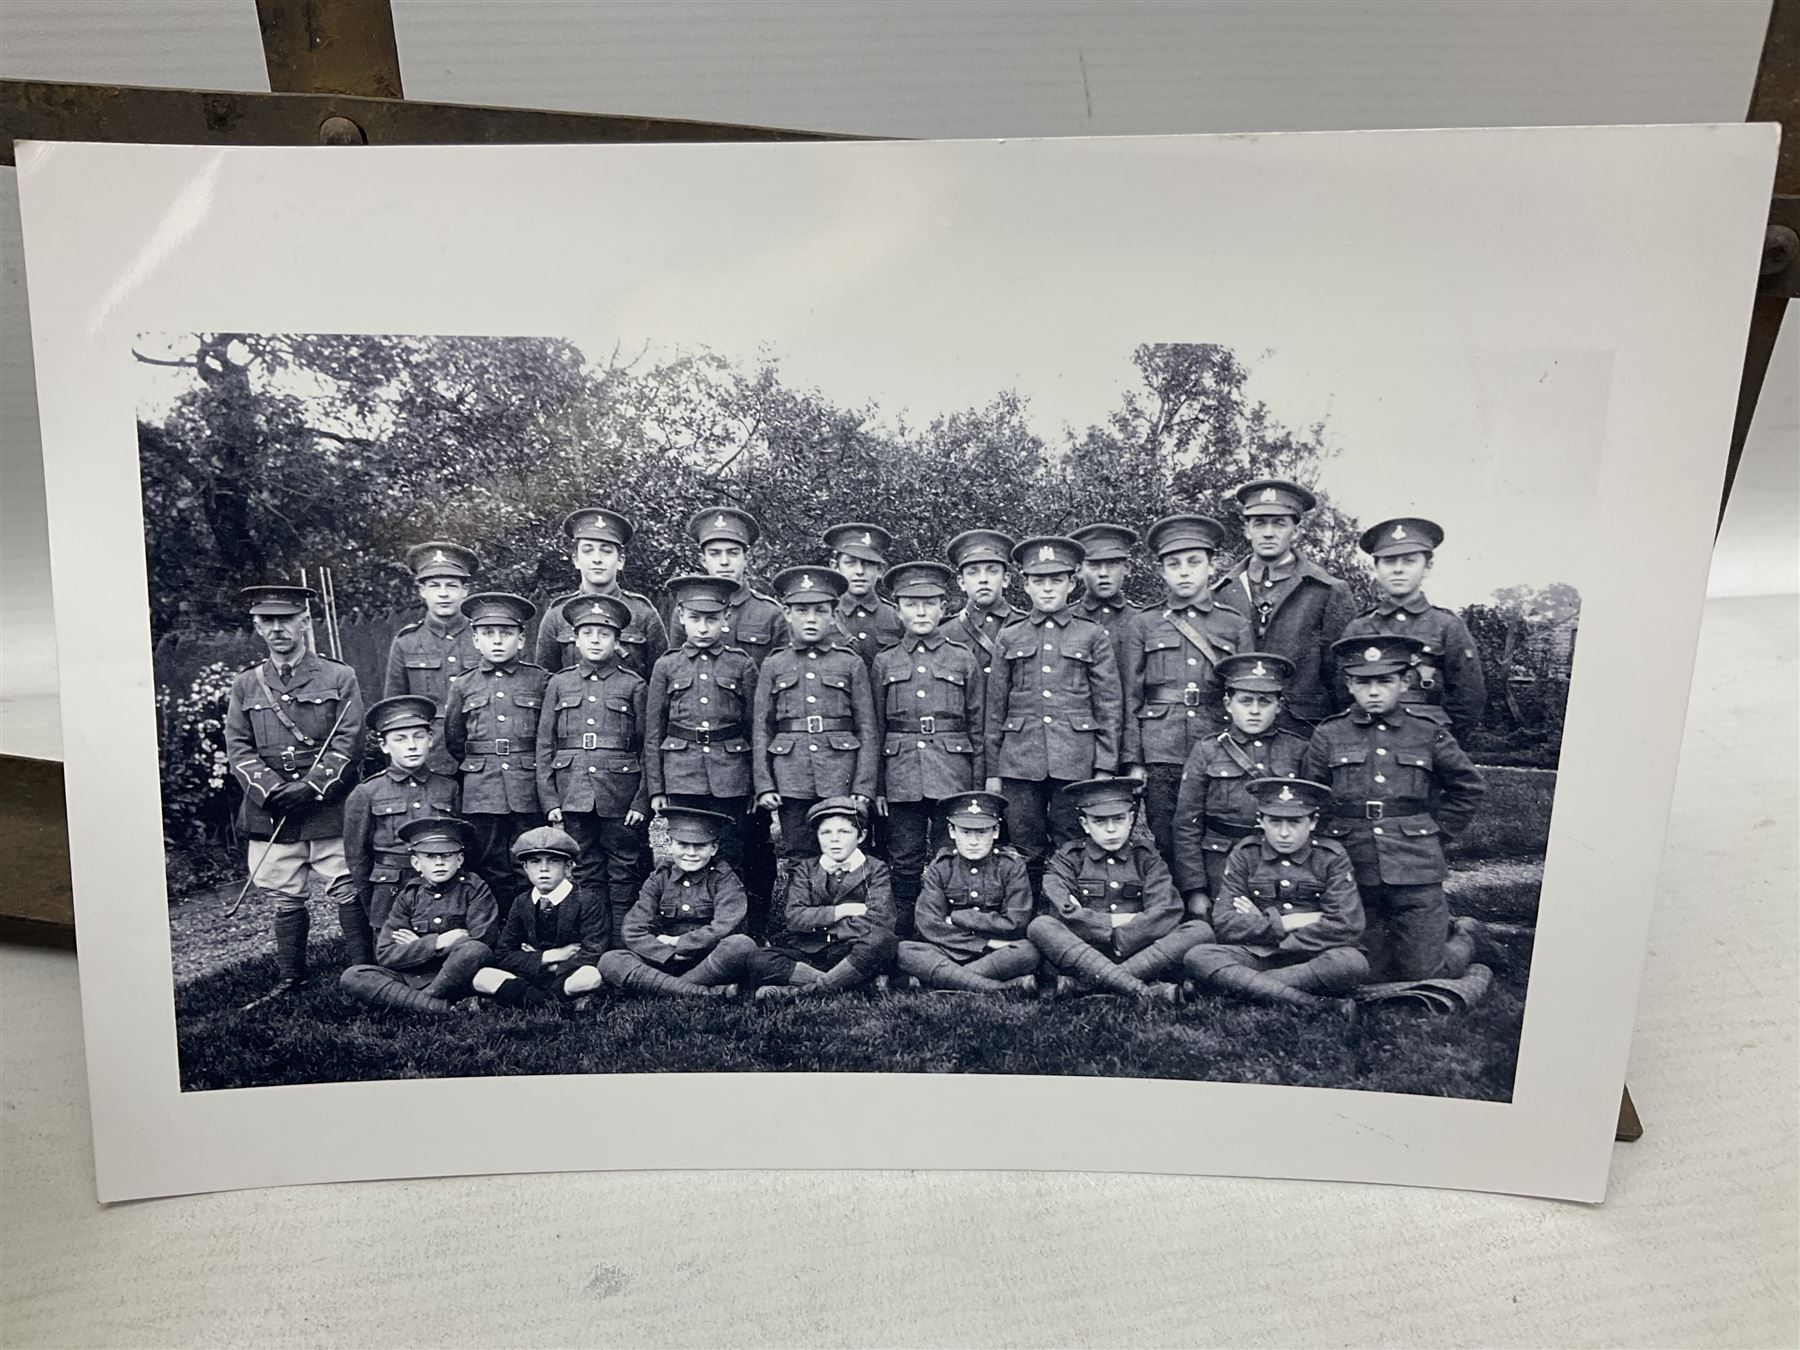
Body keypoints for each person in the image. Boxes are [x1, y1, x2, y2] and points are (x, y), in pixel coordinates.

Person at [1301, 635, 1489, 981]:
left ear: (1405, 682)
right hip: (1353, 865)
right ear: (1349, 685)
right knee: (1370, 973)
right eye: (1363, 682)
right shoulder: (1330, 734)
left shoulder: (1426, 732)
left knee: (1424, 973)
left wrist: (1435, 833)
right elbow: (1312, 798)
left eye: (1385, 681)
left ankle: (1467, 939)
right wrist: (1330, 847)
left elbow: (1468, 787)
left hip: (1416, 868)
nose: (1374, 691)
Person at [224, 583, 364, 1003]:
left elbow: (349, 740)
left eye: (286, 619)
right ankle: (291, 977)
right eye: (268, 621)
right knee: (284, 892)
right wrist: (270, 791)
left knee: (346, 885)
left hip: (326, 805)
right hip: (272, 811)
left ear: (305, 621)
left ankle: (363, 969)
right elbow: (238, 746)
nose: (278, 629)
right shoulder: (247, 685)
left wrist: (311, 786)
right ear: (257, 626)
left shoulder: (339, 677)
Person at [982, 535, 1124, 890]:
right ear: (1025, 584)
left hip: (1075, 759)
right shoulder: (1010, 636)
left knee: (1071, 841)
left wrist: (1104, 766)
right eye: (1039, 581)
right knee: (1025, 843)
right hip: (1020, 761)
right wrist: (994, 770)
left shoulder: (1091, 635)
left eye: (1056, 580)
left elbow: (1108, 705)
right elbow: (995, 709)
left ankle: (1070, 915)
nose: (1048, 589)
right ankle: (1027, 917)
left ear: (1072, 583)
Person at [1120, 513, 1254, 860]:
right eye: (1174, 564)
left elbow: (1248, 689)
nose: (1184, 571)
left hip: (1218, 743)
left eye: (1194, 562)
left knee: (1216, 830)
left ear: (1212, 566)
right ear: (1162, 571)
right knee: (1165, 832)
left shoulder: (1234, 623)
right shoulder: (1145, 623)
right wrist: (1135, 760)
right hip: (1160, 747)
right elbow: (1131, 695)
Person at [869, 560, 985, 937]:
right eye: (911, 604)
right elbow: (875, 727)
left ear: (944, 606)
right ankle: (903, 934)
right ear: (897, 609)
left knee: (948, 854)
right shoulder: (885, 661)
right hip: (900, 773)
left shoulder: (962, 658)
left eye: (930, 603)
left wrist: (978, 786)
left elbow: (978, 726)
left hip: (953, 772)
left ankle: (946, 931)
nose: (921, 612)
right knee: (903, 858)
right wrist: (879, 788)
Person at [1183, 777, 1366, 1016]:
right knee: (1199, 956)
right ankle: (1319, 1005)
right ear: (1261, 821)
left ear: (1313, 822)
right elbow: (1225, 923)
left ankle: (1229, 989)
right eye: (1275, 822)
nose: (1284, 833)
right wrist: (1294, 921)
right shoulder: (1246, 854)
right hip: (1259, 955)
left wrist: (1261, 923)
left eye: (1294, 822)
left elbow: (1346, 925)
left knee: (1351, 962)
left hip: (1315, 956)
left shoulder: (1331, 857)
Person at [1025, 778, 1208, 999]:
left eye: (1119, 819)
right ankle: (1144, 991)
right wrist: (1124, 920)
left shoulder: (1147, 857)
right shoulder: (1068, 858)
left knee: (1199, 930)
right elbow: (1061, 911)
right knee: (1041, 926)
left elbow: (1166, 912)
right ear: (1085, 824)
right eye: (1100, 821)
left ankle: (1084, 986)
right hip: (1084, 950)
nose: (1111, 830)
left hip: (1137, 950)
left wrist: (1093, 922)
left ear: (1131, 819)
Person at [535, 594, 649, 948]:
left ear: (618, 641)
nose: (595, 641)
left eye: (604, 634)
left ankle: (624, 942)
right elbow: (545, 745)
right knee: (585, 869)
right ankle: (595, 942)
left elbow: (647, 747)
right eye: (587, 633)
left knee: (624, 869)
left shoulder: (633, 685)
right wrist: (550, 798)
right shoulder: (559, 683)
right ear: (575, 640)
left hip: (620, 793)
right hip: (573, 794)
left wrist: (641, 801)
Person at [752, 566, 879, 860]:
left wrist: (863, 785)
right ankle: (799, 907)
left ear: (834, 615)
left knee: (844, 850)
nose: (811, 619)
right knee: (798, 851)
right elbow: (762, 727)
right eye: (801, 610)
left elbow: (867, 728)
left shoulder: (850, 663)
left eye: (821, 611)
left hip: (840, 772)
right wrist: (764, 783)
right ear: (786, 613)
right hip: (790, 775)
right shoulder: (774, 664)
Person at [1170, 652, 1310, 906]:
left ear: (1279, 705)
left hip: (1280, 865)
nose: (1255, 711)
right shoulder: (1207, 750)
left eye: (1265, 702)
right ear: (1228, 703)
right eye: (1245, 701)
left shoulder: (1298, 749)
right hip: (1220, 864)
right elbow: (1187, 824)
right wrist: (1195, 889)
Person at [1212, 478, 1355, 729]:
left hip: (1302, 729)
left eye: (1279, 523)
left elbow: (1343, 677)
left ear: (1296, 531)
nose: (1268, 533)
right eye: (1259, 523)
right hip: (1235, 733)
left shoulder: (1327, 590)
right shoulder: (1221, 591)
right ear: (1247, 530)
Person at [645, 574, 758, 882]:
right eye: (695, 618)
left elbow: (754, 727)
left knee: (731, 852)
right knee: (686, 849)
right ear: (681, 616)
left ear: (727, 617)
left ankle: (732, 924)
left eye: (712, 618)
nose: (704, 627)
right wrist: (657, 787)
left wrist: (755, 784)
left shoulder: (742, 664)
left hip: (731, 774)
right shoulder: (667, 666)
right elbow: (654, 730)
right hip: (682, 775)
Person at [334, 694, 460, 965]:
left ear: (430, 739)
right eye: (400, 739)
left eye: (418, 736)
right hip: (390, 889)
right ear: (383, 745)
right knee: (394, 956)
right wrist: (373, 902)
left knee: (446, 950)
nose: (411, 746)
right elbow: (357, 858)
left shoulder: (448, 788)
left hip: (443, 886)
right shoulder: (367, 792)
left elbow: (463, 843)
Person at [443, 591, 547, 921]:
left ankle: (531, 932)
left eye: (506, 633)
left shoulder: (541, 680)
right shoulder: (463, 685)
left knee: (528, 860)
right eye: (488, 633)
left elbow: (549, 736)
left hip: (527, 786)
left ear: (521, 638)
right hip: (482, 789)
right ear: (475, 639)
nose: (497, 641)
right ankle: (494, 934)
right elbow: (455, 739)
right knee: (488, 863)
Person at [1340, 516, 1486, 743]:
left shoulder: (1447, 625)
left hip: (1427, 742)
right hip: (1364, 740)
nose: (1398, 570)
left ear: (1427, 567)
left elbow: (1468, 698)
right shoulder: (1359, 627)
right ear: (1376, 568)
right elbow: (1342, 692)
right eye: (1389, 562)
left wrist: (1445, 745)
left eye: (1409, 561)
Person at [338, 817, 499, 1015]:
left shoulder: (475, 889)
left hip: (458, 974)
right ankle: (443, 1007)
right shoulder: (409, 894)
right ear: (416, 862)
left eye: (447, 855)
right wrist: (437, 943)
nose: (439, 863)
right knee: (354, 975)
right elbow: (386, 953)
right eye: (430, 856)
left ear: (459, 860)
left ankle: (420, 1003)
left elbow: (482, 942)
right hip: (413, 975)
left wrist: (415, 945)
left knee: (473, 950)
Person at [596, 806, 761, 998]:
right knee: (611, 959)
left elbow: (724, 927)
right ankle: (701, 992)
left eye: (700, 846)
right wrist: (668, 954)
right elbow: (633, 929)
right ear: (669, 844)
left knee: (741, 945)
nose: (691, 853)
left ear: (714, 848)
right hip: (665, 959)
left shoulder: (725, 879)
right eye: (682, 844)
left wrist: (680, 943)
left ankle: (661, 988)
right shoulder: (659, 878)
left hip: (708, 959)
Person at [752, 798, 899, 999]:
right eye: (826, 833)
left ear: (861, 836)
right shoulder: (806, 868)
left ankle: (799, 993)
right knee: (758, 958)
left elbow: (881, 919)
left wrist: (820, 922)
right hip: (813, 950)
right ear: (818, 836)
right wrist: (842, 911)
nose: (834, 840)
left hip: (854, 949)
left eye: (844, 832)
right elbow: (794, 918)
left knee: (882, 940)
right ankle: (856, 984)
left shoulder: (875, 869)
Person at [895, 790, 1038, 994]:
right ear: (952, 832)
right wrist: (986, 941)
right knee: (905, 951)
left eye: (982, 832)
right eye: (965, 832)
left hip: (996, 953)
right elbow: (929, 923)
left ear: (996, 831)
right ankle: (997, 987)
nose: (973, 841)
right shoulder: (941, 867)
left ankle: (946, 979)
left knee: (1028, 951)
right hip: (965, 948)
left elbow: (1016, 922)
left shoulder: (1011, 867)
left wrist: (957, 918)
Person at [474, 825, 606, 1007]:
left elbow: (593, 951)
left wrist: (553, 967)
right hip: (532, 973)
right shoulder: (522, 902)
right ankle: (555, 1002)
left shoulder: (587, 900)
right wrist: (550, 956)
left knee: (591, 976)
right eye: (535, 861)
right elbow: (504, 954)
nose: (544, 869)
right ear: (525, 868)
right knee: (482, 977)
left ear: (568, 867)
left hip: (568, 973)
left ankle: (524, 999)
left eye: (553, 861)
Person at [534, 507, 668, 679]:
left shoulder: (644, 615)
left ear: (620, 561)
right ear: (575, 559)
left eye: (606, 551)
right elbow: (546, 682)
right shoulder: (557, 616)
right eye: (588, 550)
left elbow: (660, 681)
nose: (597, 559)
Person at [383, 541, 481, 775]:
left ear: (465, 590)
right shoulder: (406, 642)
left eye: (452, 585)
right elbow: (395, 710)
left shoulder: (484, 637)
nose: (444, 594)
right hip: (430, 760)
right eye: (435, 586)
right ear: (422, 591)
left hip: (481, 754)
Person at [685, 505, 787, 669]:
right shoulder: (687, 610)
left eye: (733, 553)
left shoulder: (771, 613)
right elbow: (674, 667)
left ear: (746, 558)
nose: (724, 562)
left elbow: (783, 672)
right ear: (703, 560)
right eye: (715, 553)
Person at [939, 528, 1020, 683]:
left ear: (1006, 579)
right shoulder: (944, 633)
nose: (983, 579)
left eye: (992, 571)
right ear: (961, 582)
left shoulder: (1026, 626)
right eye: (973, 572)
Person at [823, 521, 906, 667]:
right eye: (850, 562)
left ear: (880, 569)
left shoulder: (897, 617)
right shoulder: (822, 616)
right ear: (835, 567)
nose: (859, 571)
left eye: (867, 563)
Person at [1070, 522, 1144, 664]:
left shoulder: (1144, 619)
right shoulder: (1068, 620)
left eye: (1112, 564)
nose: (1103, 573)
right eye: (1094, 565)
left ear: (1127, 568)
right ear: (1079, 571)